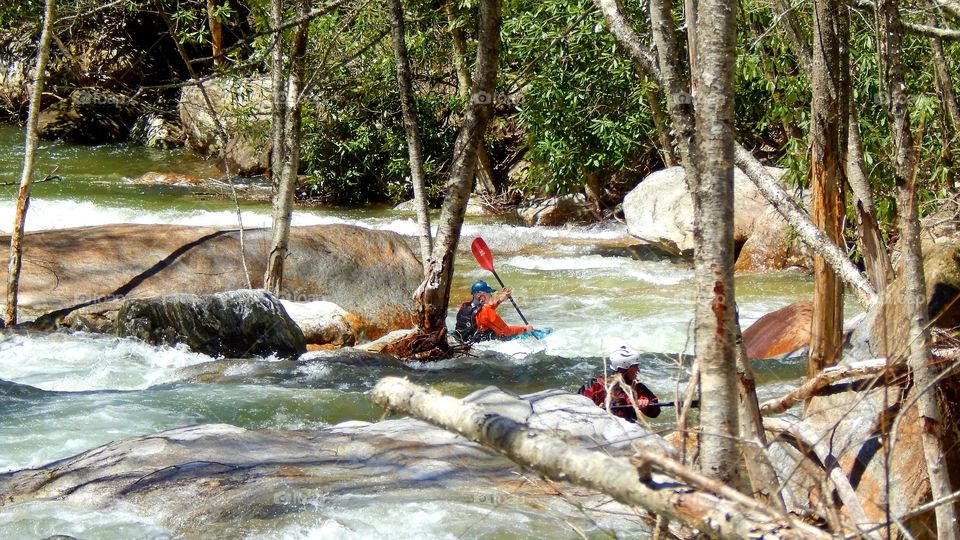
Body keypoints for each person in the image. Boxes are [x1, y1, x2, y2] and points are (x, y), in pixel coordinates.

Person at [578, 345, 660, 421]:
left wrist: (646, 405)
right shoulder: (594, 387)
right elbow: (578, 411)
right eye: (635, 367)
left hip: (628, 429)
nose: (638, 370)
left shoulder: (637, 387)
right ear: (624, 369)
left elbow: (655, 412)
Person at [453, 279, 534, 343]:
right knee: (503, 335)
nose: (490, 295)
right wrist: (525, 329)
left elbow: (481, 312)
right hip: (482, 345)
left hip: (462, 340)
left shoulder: (464, 306)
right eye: (488, 293)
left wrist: (500, 300)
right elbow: (507, 331)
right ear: (479, 295)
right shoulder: (486, 312)